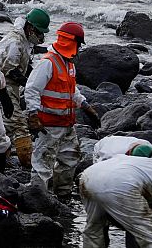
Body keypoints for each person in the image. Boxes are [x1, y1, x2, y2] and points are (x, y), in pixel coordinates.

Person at [25, 21, 101, 200]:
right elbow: (31, 89)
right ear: (71, 42)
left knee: (70, 158)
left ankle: (62, 194)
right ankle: (38, 199)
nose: (79, 49)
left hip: (66, 124)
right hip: (48, 125)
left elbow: (72, 90)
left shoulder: (69, 65)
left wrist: (85, 105)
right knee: (43, 162)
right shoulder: (48, 63)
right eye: (78, 44)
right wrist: (33, 115)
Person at [0, 8, 51, 168]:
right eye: (39, 32)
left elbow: (24, 66)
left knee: (8, 122)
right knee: (18, 123)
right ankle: (28, 161)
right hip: (4, 86)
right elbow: (9, 69)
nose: (41, 37)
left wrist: (36, 79)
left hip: (11, 86)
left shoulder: (24, 40)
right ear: (30, 27)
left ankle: (1, 150)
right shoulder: (15, 42)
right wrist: (30, 84)